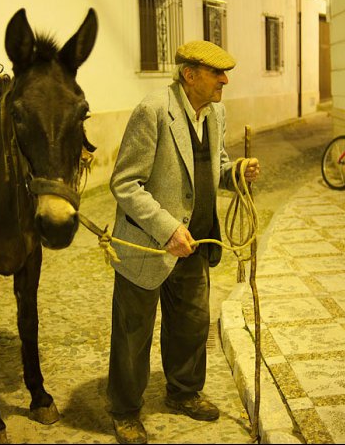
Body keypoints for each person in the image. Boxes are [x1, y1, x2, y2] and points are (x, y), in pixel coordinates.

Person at [106, 40, 260, 444]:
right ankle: (124, 410)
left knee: (191, 325)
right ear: (190, 75)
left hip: (195, 243)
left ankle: (184, 392)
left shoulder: (216, 113)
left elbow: (215, 166)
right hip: (151, 245)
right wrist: (167, 228)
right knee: (133, 332)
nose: (225, 80)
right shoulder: (153, 110)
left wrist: (236, 173)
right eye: (217, 74)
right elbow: (125, 183)